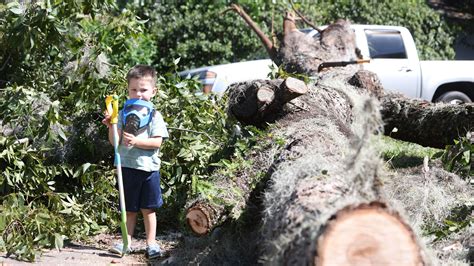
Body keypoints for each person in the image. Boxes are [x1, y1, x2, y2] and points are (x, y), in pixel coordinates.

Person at [102, 65, 168, 259]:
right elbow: (115, 141)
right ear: (128, 90)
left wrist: (137, 141)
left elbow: (157, 142)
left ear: (153, 92)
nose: (138, 94)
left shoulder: (155, 115)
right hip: (127, 167)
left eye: (143, 90)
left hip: (148, 169)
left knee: (148, 209)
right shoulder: (122, 113)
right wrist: (112, 125)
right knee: (129, 209)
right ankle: (127, 241)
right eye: (134, 90)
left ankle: (151, 243)